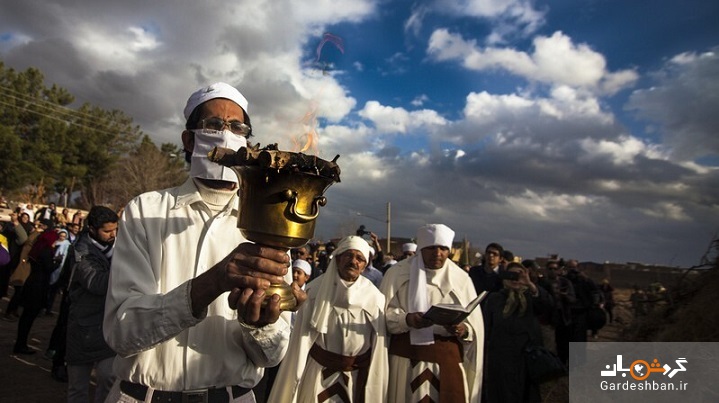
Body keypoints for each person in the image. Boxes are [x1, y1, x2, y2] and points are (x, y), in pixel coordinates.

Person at [103, 82, 304, 403]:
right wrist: (211, 283)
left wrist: (260, 325)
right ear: (188, 138)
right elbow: (121, 333)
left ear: (247, 142)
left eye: (238, 127)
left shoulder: (270, 225)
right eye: (213, 125)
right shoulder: (146, 210)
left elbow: (273, 355)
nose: (226, 134)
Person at [268, 236, 388, 403]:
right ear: (338, 258)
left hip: (355, 379)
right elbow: (301, 344)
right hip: (317, 377)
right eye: (348, 255)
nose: (353, 261)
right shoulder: (315, 291)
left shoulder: (375, 298)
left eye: (359, 258)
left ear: (365, 265)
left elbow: (378, 349)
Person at [380, 224, 483, 402]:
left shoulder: (461, 279)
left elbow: (475, 328)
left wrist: (463, 330)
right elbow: (381, 316)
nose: (437, 253)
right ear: (421, 249)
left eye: (443, 249)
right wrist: (407, 320)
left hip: (447, 361)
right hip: (405, 360)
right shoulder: (397, 274)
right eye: (431, 248)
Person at [66, 206, 119, 403]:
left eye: (115, 229)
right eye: (107, 231)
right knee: (78, 388)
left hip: (107, 327)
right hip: (83, 328)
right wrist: (127, 270)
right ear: (92, 229)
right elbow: (96, 283)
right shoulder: (82, 251)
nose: (113, 235)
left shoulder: (118, 248)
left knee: (108, 379)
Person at [483, 262, 552, 402]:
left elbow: (548, 306)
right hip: (501, 358)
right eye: (511, 275)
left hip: (526, 357)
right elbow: (486, 327)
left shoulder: (531, 297)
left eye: (519, 275)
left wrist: (530, 284)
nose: (515, 279)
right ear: (504, 277)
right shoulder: (494, 298)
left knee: (526, 394)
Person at [12, 222, 58, 354]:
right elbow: (48, 268)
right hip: (38, 286)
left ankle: (20, 343)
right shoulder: (46, 250)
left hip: (31, 283)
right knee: (29, 317)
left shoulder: (38, 248)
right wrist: (57, 263)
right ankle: (21, 344)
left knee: (26, 317)